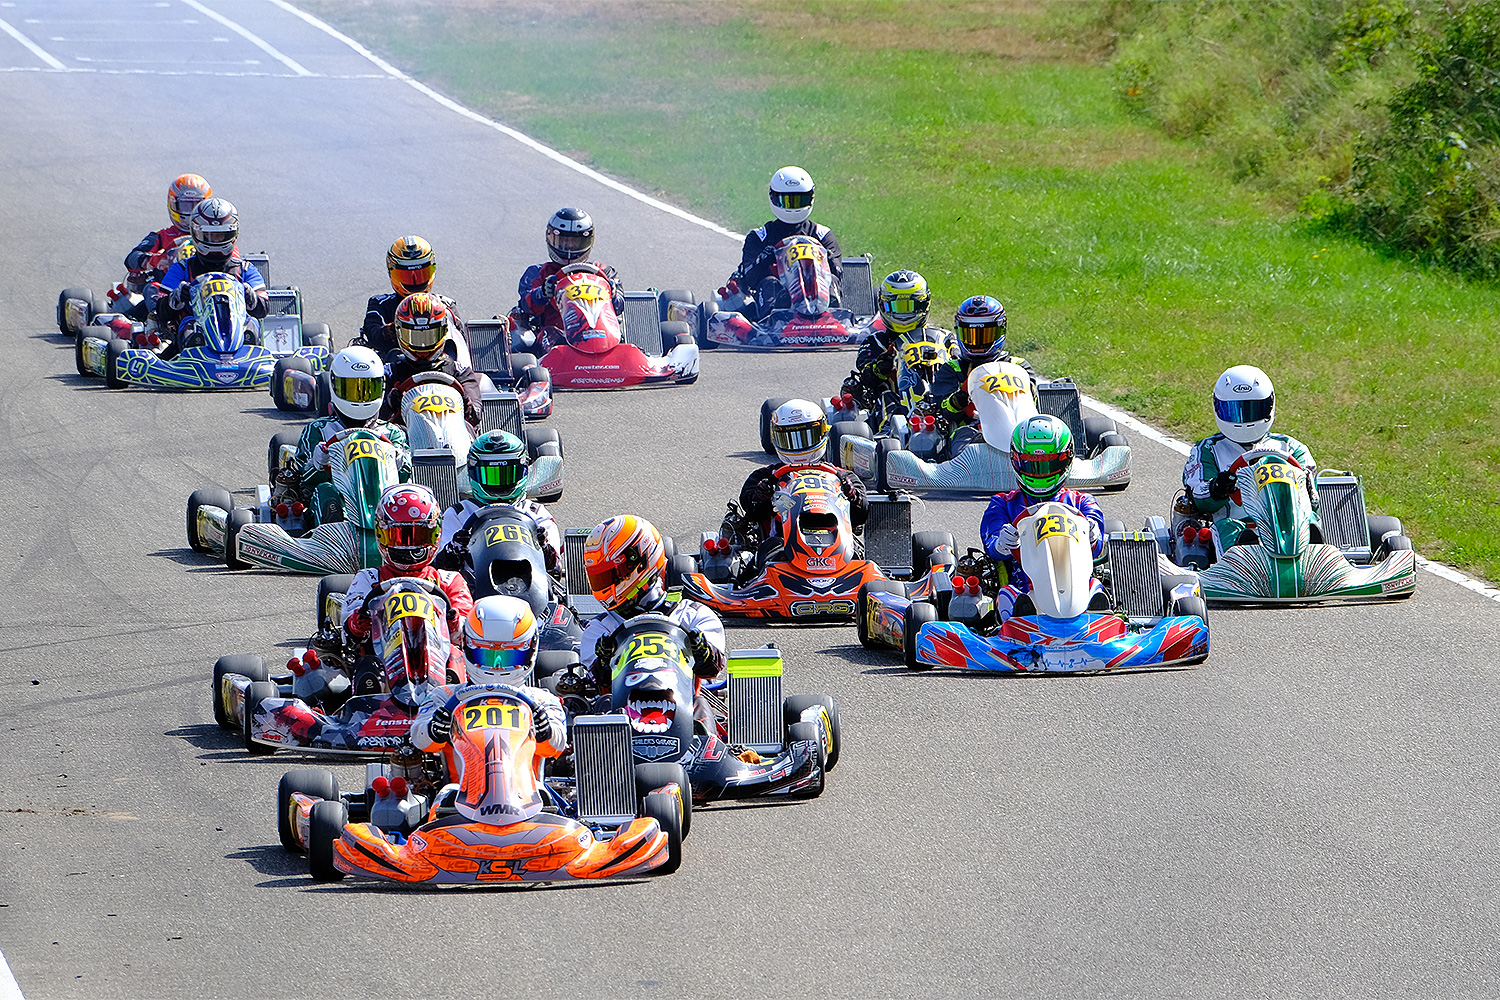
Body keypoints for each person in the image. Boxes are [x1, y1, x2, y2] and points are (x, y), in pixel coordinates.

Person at [408, 595, 570, 823]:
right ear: (468, 647)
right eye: (488, 655)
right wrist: (434, 729)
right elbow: (420, 739)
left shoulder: (541, 700)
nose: (497, 666)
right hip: (454, 811)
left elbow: (557, 744)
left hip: (529, 808)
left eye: (508, 655)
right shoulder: (444, 697)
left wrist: (546, 731)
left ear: (530, 650)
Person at [578, 516, 725, 701]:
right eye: (599, 578)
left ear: (640, 561)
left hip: (683, 708)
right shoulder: (600, 629)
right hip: (621, 711)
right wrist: (604, 661)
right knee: (603, 704)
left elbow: (713, 669)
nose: (605, 585)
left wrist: (702, 651)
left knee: (701, 704)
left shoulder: (693, 615)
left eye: (610, 575)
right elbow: (596, 681)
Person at [980, 414, 1106, 620]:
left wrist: (1092, 536)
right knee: (1008, 595)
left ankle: (1094, 613)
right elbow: (991, 546)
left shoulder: (1083, 503)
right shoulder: (1002, 504)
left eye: (1048, 465)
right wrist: (1002, 544)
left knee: (1094, 586)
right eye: (1031, 465)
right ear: (1017, 461)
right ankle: (1021, 619)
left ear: (1066, 461)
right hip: (1024, 586)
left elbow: (1098, 547)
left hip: (1076, 587)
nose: (1039, 474)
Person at [342, 485, 475, 672]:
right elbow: (347, 636)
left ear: (435, 534)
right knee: (366, 666)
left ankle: (449, 687)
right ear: (381, 534)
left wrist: (453, 622)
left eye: (418, 536)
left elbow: (468, 637)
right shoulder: (369, 579)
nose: (408, 546)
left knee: (456, 658)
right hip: (383, 667)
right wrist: (358, 622)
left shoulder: (449, 580)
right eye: (397, 537)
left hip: (439, 664)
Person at [1183, 365, 1319, 540]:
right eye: (1233, 411)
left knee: (1309, 521)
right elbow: (1199, 496)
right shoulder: (1208, 450)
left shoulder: (1291, 448)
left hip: (1287, 527)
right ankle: (1246, 548)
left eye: (1253, 409)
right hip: (1236, 525)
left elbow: (1313, 502)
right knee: (1229, 528)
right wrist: (1217, 488)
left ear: (1269, 405)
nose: (1244, 419)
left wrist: (1306, 487)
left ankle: (1314, 548)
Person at [277, 347, 412, 519]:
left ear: (381, 387)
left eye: (368, 390)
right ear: (334, 385)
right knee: (326, 491)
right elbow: (305, 485)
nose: (360, 398)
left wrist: (401, 463)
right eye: (351, 390)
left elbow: (406, 479)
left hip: (384, 508)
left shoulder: (392, 433)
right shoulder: (319, 430)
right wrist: (317, 464)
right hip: (339, 511)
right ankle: (334, 531)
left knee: (408, 496)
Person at [739, 400, 868, 551]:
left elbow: (862, 514)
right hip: (780, 549)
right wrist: (761, 496)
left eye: (806, 437)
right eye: (789, 439)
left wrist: (851, 495)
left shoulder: (843, 477)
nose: (798, 446)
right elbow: (751, 511)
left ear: (822, 433)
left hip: (838, 548)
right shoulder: (765, 476)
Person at [720, 166, 843, 320]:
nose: (793, 207)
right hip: (778, 303)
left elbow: (838, 272)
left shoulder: (822, 235)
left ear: (810, 198)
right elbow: (750, 278)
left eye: (799, 200)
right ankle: (771, 319)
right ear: (773, 197)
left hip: (815, 290)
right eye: (786, 201)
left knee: (831, 281)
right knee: (770, 283)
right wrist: (767, 257)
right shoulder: (760, 237)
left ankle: (833, 317)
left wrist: (826, 257)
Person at [434, 430, 563, 576]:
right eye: (491, 476)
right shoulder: (459, 514)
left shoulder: (535, 512)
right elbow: (440, 569)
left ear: (522, 471)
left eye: (506, 475)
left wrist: (543, 546)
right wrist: (454, 549)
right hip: (473, 584)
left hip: (529, 580)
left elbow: (553, 566)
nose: (499, 484)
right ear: (473, 472)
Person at [155, 197, 269, 350]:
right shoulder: (181, 269)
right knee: (190, 326)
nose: (215, 240)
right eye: (209, 235)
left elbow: (264, 309)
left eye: (220, 235)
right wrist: (177, 296)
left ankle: (246, 352)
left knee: (251, 325)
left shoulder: (245, 269)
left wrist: (250, 296)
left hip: (237, 332)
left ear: (232, 234)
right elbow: (161, 312)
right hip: (198, 337)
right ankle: (196, 351)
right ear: (196, 234)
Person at [934, 295, 1036, 453]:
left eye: (985, 335)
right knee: (963, 441)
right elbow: (944, 411)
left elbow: (1032, 403)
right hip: (970, 432)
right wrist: (959, 399)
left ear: (1000, 331)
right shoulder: (953, 369)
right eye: (971, 336)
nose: (978, 343)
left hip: (1018, 432)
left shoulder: (1018, 366)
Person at [841, 270, 954, 414]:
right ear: (883, 306)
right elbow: (866, 377)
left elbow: (961, 363)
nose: (903, 315)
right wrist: (882, 365)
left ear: (924, 304)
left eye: (909, 307)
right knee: (884, 396)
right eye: (897, 307)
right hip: (894, 405)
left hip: (942, 401)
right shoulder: (876, 342)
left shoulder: (944, 338)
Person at [512, 207, 624, 340]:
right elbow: (526, 306)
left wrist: (612, 294)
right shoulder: (537, 273)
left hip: (600, 334)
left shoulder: (604, 272)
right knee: (546, 337)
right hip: (555, 336)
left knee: (623, 342)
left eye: (575, 242)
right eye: (564, 241)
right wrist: (542, 293)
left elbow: (619, 307)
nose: (569, 247)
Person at [380, 292, 483, 432]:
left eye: (429, 336)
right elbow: (376, 419)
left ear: (443, 332)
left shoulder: (460, 372)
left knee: (470, 429)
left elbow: (476, 416)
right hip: (407, 438)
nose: (422, 345)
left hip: (453, 434)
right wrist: (391, 403)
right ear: (399, 333)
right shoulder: (391, 373)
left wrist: (466, 403)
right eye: (415, 337)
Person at [115, 173, 211, 316]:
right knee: (151, 289)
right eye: (185, 206)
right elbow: (131, 259)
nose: (190, 212)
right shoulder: (162, 236)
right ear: (173, 204)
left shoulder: (214, 236)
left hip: (207, 288)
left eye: (196, 206)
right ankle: (157, 322)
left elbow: (233, 260)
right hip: (167, 291)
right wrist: (154, 260)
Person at [357, 236, 468, 358]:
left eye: (421, 275)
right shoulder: (380, 304)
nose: (415, 282)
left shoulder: (446, 305)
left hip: (438, 364)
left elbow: (460, 343)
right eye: (406, 276)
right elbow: (373, 334)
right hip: (394, 365)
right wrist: (391, 331)